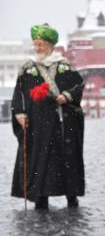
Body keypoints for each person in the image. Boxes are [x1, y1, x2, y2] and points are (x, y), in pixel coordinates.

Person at [11, 24, 85, 209]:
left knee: (67, 160)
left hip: (62, 123)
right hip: (38, 125)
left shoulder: (64, 66)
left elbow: (78, 86)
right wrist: (19, 113)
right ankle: (41, 195)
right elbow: (18, 94)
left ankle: (71, 194)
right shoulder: (28, 69)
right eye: (36, 44)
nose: (37, 48)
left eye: (41, 44)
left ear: (51, 46)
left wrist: (66, 96)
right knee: (41, 159)